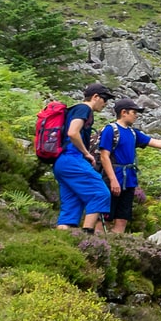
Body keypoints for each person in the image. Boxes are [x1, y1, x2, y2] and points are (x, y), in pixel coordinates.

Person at [96, 100, 161, 234]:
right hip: (114, 177)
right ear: (123, 112)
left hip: (129, 180)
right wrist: (113, 179)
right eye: (134, 112)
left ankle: (113, 244)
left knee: (122, 218)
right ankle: (97, 242)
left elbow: (156, 142)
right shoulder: (110, 130)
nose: (136, 116)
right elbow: (104, 156)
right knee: (105, 217)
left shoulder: (133, 133)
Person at [53, 84, 115, 233]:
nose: (105, 103)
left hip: (61, 162)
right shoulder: (84, 109)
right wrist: (86, 153)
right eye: (104, 99)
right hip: (72, 159)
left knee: (71, 206)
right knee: (100, 193)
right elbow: (73, 133)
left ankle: (63, 240)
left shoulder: (73, 110)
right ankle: (87, 235)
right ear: (95, 97)